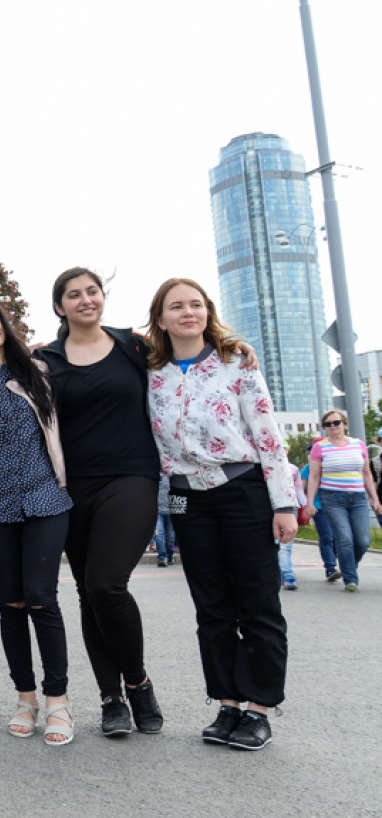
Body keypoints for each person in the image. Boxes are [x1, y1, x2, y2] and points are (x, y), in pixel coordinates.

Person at [144, 277, 296, 751]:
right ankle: (228, 703)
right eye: (176, 306)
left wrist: (284, 503)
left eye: (196, 304)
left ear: (207, 311)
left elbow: (267, 434)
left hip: (241, 489)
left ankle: (259, 709)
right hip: (186, 497)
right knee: (211, 606)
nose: (187, 312)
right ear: (161, 318)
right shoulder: (150, 371)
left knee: (257, 602)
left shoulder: (236, 364)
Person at [33, 267, 165, 738]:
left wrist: (237, 348)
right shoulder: (45, 359)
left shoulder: (134, 346)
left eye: (92, 291)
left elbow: (192, 348)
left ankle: (138, 683)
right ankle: (112, 699)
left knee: (107, 584)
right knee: (88, 593)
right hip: (71, 487)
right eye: (74, 294)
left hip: (131, 476)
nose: (86, 299)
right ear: (60, 306)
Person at [0, 293, 74, 746]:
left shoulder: (38, 368)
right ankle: (26, 698)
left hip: (44, 497)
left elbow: (89, 347)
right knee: (11, 604)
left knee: (41, 598)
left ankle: (58, 701)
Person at [303, 408, 382, 593]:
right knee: (345, 538)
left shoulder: (358, 445)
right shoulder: (320, 447)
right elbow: (313, 476)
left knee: (363, 541)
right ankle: (350, 579)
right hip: (332, 497)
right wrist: (310, 502)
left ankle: (348, 565)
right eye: (328, 424)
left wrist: (375, 499)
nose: (332, 426)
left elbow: (366, 474)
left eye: (336, 422)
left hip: (358, 497)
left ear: (344, 424)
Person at [277, 463, 303, 591]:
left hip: (290, 507)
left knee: (285, 545)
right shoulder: (261, 465)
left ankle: (288, 576)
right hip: (269, 507)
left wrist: (306, 506)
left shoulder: (293, 469)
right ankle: (283, 574)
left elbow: (298, 490)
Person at [153, 477, 177, 567]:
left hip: (171, 510)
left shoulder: (173, 477)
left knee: (170, 537)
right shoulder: (156, 476)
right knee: (159, 534)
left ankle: (170, 556)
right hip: (158, 511)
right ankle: (162, 557)